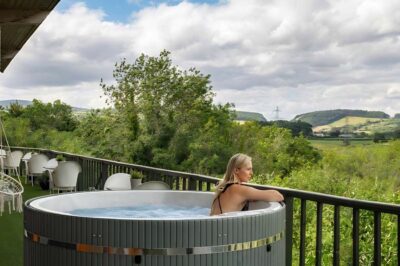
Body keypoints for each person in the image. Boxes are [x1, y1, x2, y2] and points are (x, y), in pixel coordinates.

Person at [210, 153, 284, 216]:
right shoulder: (238, 189)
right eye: (248, 169)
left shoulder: (225, 187)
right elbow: (278, 196)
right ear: (236, 170)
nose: (251, 173)